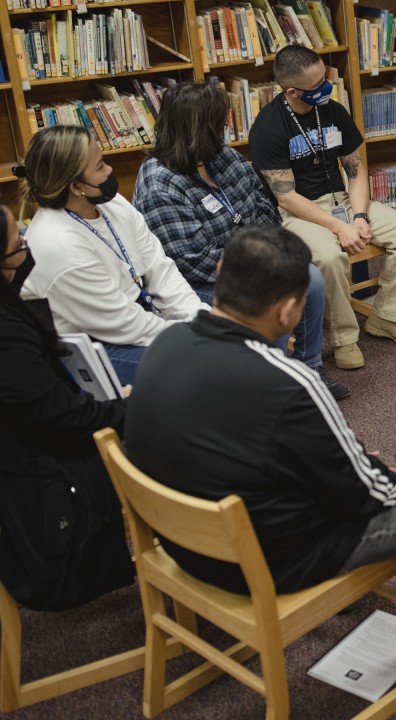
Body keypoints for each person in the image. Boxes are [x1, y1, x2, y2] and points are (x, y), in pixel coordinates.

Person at [123, 226, 396, 594]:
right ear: (287, 312)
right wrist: (379, 474)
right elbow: (372, 494)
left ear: (221, 272)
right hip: (262, 565)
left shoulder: (165, 341)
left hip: (181, 548)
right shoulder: (291, 381)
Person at [133, 81, 347, 400]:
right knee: (265, 298)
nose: (225, 129)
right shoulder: (160, 183)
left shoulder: (223, 157)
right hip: (198, 282)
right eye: (219, 123)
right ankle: (265, 381)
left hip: (247, 261)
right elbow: (191, 260)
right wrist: (255, 265)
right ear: (198, 129)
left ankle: (309, 366)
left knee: (309, 276)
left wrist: (262, 254)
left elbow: (264, 206)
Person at [250, 44, 396, 371]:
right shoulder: (267, 128)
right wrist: (339, 227)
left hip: (342, 200)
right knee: (331, 258)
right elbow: (286, 197)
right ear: (292, 91)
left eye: (325, 79)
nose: (326, 88)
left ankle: (387, 317)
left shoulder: (332, 110)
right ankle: (346, 338)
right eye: (317, 85)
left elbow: (355, 168)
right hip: (299, 212)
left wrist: (358, 215)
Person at [0, 205, 134, 610]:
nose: (27, 244)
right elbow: (62, 419)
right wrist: (127, 409)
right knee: (174, 431)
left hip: (26, 458)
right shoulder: (7, 335)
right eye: (18, 243)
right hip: (43, 491)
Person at [18, 125, 206, 384]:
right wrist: (193, 336)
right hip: (99, 345)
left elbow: (159, 267)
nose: (109, 171)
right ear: (76, 187)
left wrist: (200, 317)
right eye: (100, 166)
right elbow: (123, 323)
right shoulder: (57, 245)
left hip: (142, 311)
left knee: (236, 323)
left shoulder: (110, 203)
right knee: (201, 369)